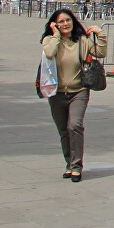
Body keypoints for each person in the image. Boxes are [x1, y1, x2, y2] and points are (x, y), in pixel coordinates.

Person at [40, 9, 106, 182]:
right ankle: (69, 164)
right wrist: (55, 34)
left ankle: (77, 167)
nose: (65, 24)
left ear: (73, 21)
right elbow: (49, 52)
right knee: (63, 130)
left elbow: (100, 53)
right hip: (56, 93)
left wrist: (101, 35)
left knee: (75, 126)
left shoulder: (82, 41)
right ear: (54, 24)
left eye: (67, 20)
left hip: (79, 91)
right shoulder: (49, 40)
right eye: (60, 22)